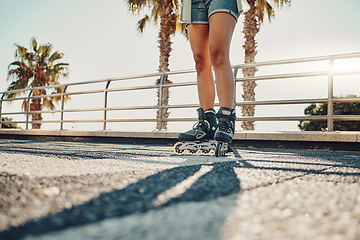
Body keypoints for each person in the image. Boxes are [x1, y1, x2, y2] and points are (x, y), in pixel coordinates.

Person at [178, 0, 247, 145]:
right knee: (200, 61)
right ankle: (207, 123)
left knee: (218, 53)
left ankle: (226, 120)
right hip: (193, 3)